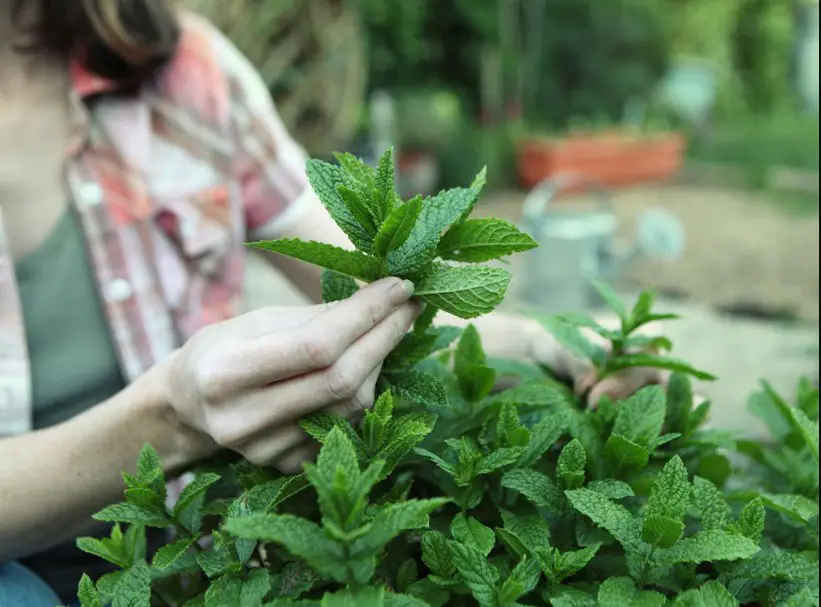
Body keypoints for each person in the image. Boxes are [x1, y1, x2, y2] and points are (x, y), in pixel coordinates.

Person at [0, 1, 670, 604]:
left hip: (201, 557)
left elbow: (379, 298)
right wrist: (172, 419)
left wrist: (551, 342)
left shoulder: (176, 70)